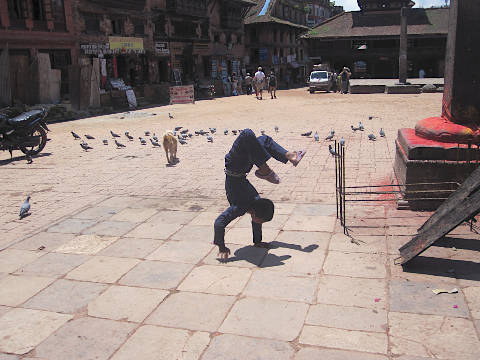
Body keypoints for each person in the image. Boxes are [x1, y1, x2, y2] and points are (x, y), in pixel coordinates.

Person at [214, 129, 306, 259]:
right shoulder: (249, 203)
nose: (260, 223)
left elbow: (222, 222)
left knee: (249, 136)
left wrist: (223, 246)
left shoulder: (246, 206)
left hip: (236, 168)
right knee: (261, 139)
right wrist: (222, 246)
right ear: (255, 213)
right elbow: (223, 222)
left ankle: (266, 169)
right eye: (261, 221)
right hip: (240, 168)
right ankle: (286, 157)